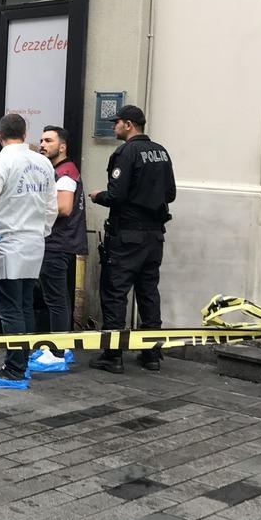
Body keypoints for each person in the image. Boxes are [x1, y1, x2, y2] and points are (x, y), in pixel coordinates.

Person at [0, 113, 57, 389]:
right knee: (24, 306)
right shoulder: (43, 162)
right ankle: (23, 358)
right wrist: (40, 231)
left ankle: (15, 369)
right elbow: (51, 207)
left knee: (9, 309)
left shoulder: (2, 161)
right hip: (34, 244)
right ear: (25, 132)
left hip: (5, 243)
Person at [88, 105, 176, 374]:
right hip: (154, 236)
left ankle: (112, 355)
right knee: (148, 292)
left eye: (117, 123)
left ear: (128, 124)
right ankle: (151, 353)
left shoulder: (126, 152)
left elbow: (116, 195)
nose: (114, 127)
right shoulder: (161, 151)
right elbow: (170, 194)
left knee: (115, 292)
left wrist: (97, 195)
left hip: (127, 235)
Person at [30, 126, 88, 371]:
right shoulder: (58, 170)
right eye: (42, 140)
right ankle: (60, 347)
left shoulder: (64, 173)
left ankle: (56, 352)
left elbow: (63, 208)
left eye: (49, 140)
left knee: (56, 300)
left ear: (62, 146)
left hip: (56, 243)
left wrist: (32, 207)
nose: (43, 144)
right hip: (59, 243)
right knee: (58, 298)